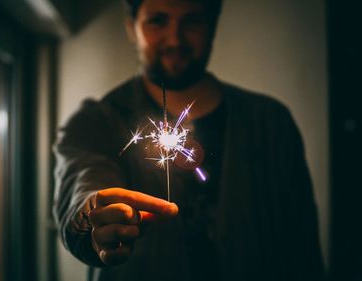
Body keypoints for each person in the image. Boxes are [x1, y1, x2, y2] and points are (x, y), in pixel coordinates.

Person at [53, 0, 326, 280]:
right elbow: (82, 184)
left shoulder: (270, 123)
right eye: (158, 20)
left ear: (213, 25)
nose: (175, 38)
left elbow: (303, 249)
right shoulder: (95, 122)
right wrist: (91, 218)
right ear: (131, 27)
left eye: (192, 20)